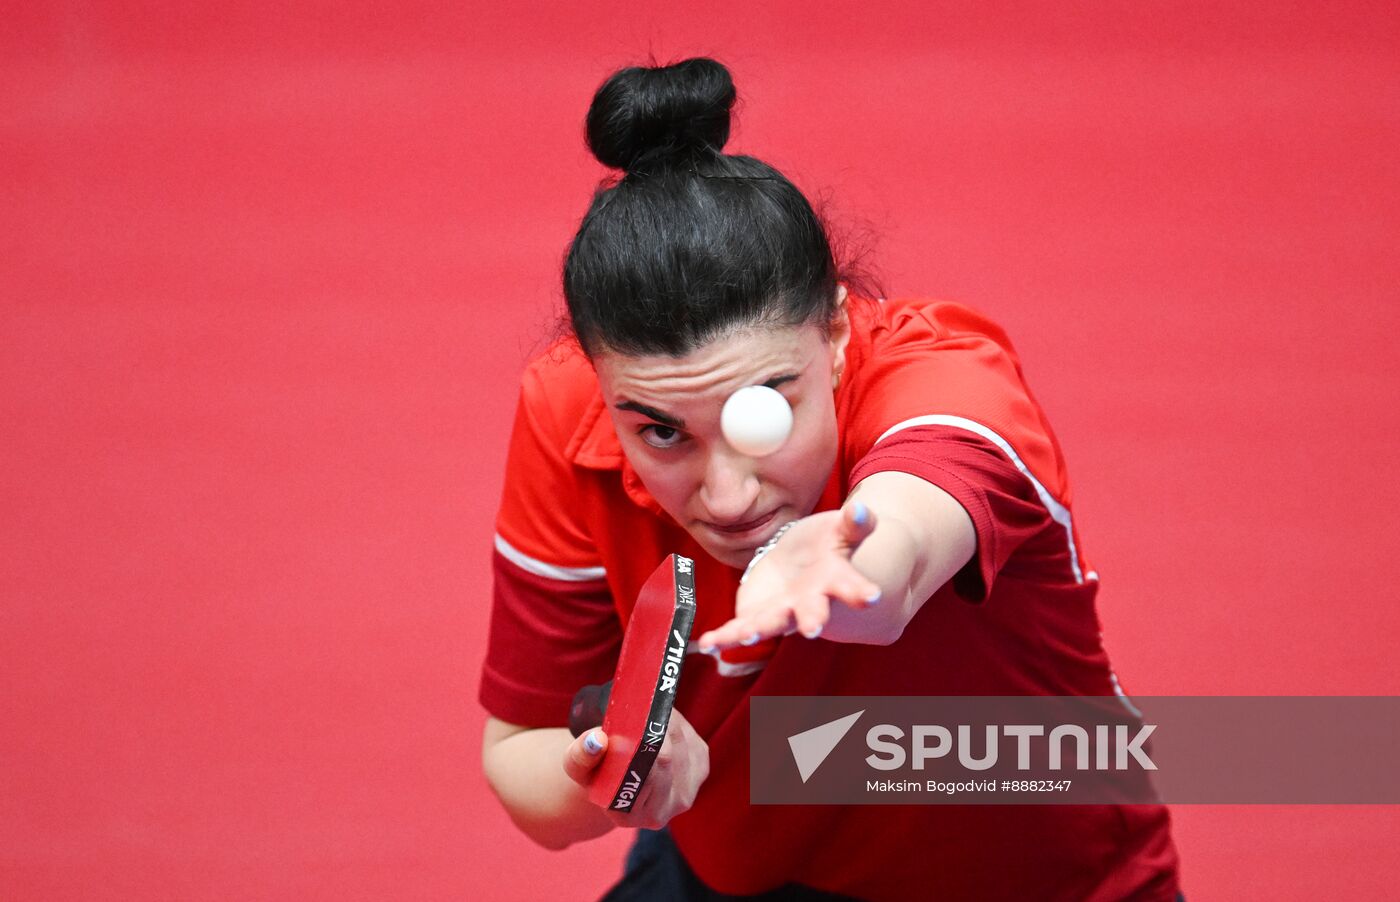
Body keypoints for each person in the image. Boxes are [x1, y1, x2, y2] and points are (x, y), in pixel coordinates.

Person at [479, 57, 1182, 901]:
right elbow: (520, 748)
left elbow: (908, 542)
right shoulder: (576, 408)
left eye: (762, 414)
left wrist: (849, 564)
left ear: (839, 332)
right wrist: (613, 777)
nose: (729, 496)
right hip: (736, 876)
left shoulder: (947, 376)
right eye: (662, 433)